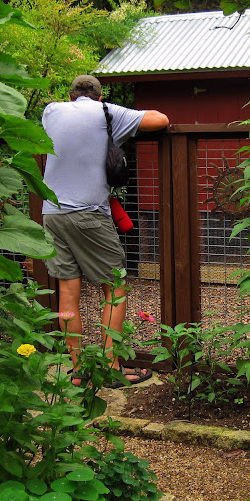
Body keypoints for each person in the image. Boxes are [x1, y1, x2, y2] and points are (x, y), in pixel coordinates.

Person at [41, 74, 169, 386]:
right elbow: (161, 120)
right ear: (99, 96)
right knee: (115, 286)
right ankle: (111, 367)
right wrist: (114, 114)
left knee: (67, 291)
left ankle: (78, 371)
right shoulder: (106, 112)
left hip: (51, 214)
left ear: (70, 96)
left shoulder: (50, 111)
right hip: (88, 213)